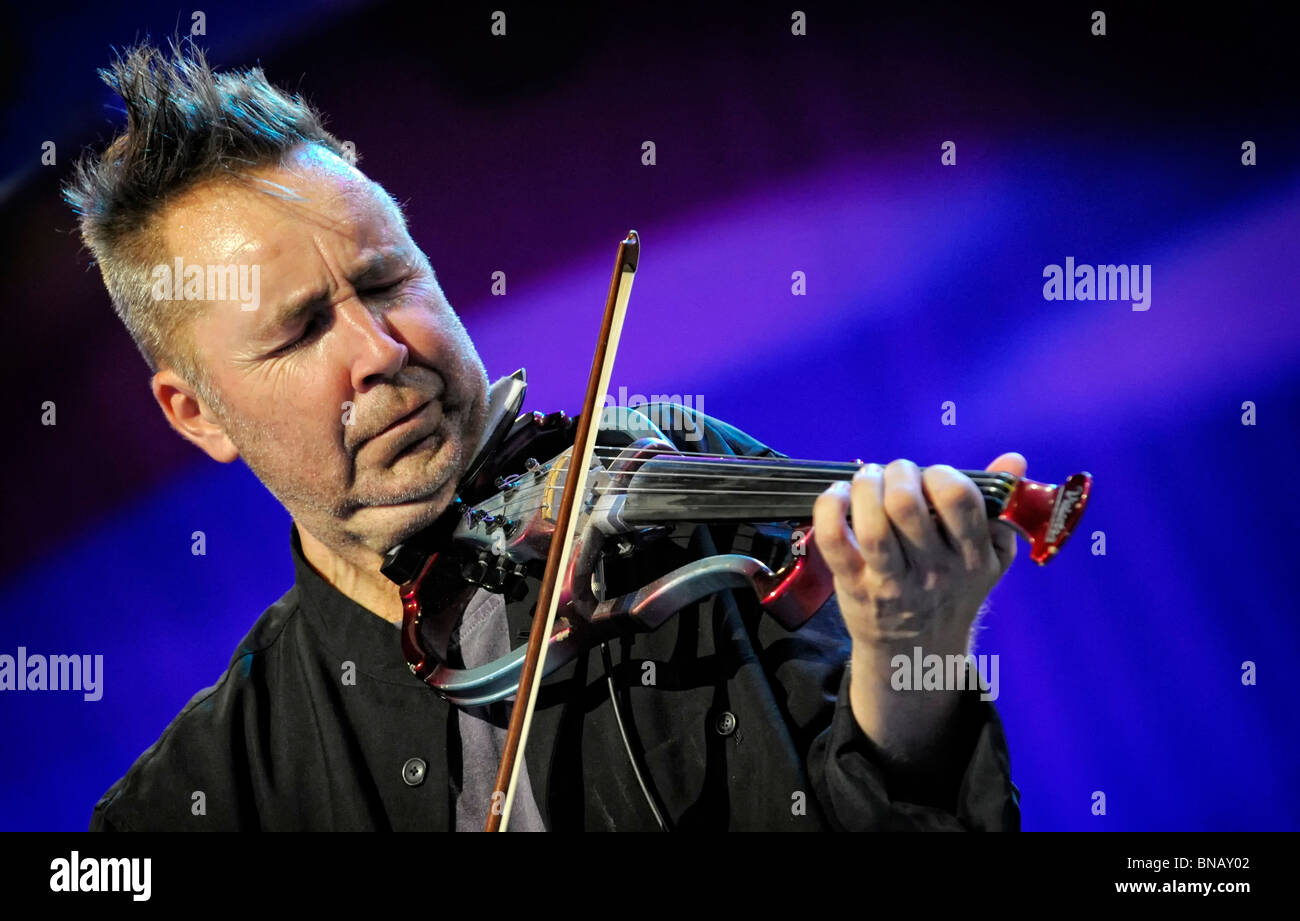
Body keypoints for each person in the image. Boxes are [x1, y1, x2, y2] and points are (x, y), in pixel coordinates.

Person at [67, 41, 1024, 831]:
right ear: (195, 412)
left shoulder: (671, 486)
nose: (381, 349)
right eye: (304, 327)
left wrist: (910, 654)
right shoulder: (200, 800)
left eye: (390, 281)